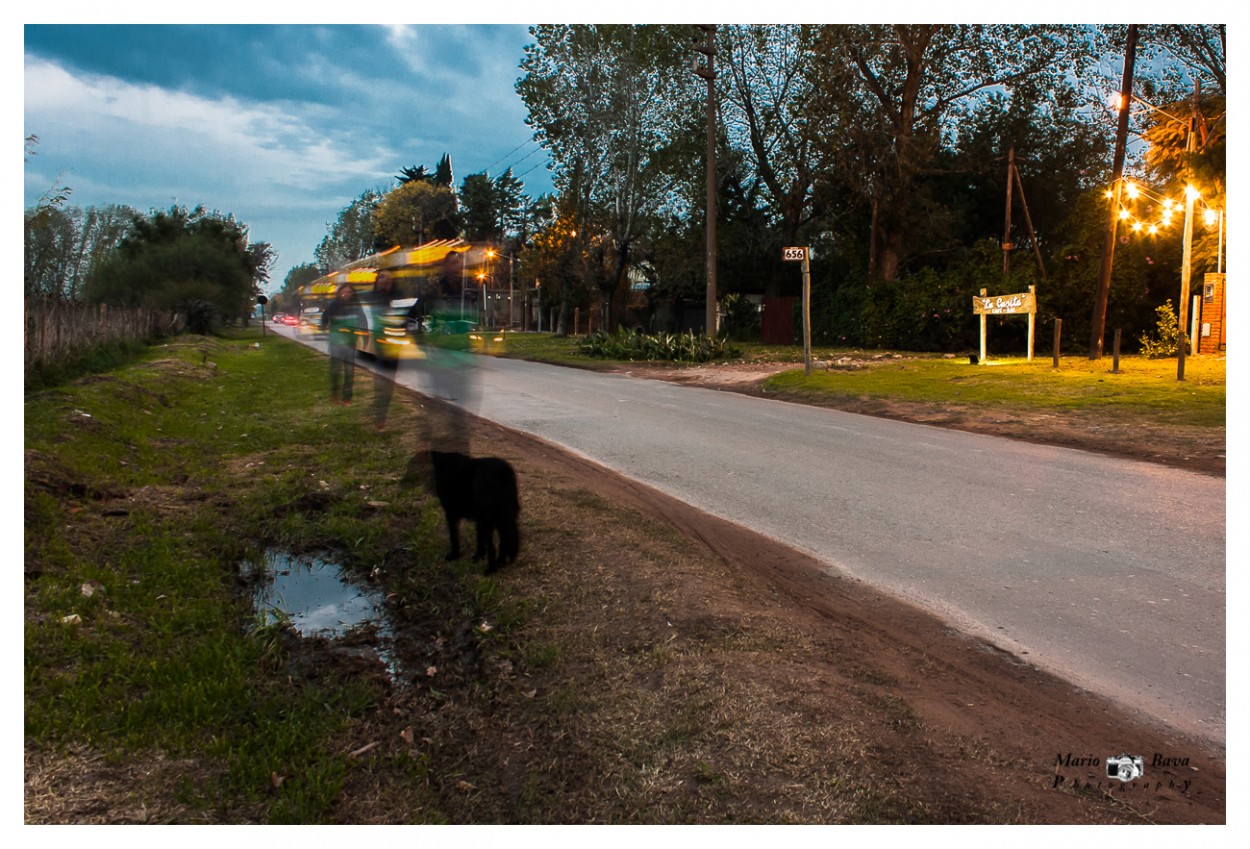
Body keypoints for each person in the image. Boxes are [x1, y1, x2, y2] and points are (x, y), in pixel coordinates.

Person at [321, 283, 365, 405]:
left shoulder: (356, 307)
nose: (347, 294)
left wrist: (364, 335)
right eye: (344, 291)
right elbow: (325, 316)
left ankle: (347, 398)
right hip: (336, 343)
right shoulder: (333, 305)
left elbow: (363, 320)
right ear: (340, 293)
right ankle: (334, 394)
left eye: (350, 292)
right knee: (335, 371)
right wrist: (324, 325)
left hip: (351, 343)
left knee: (349, 372)